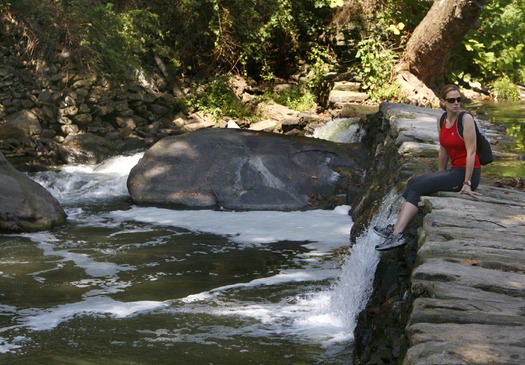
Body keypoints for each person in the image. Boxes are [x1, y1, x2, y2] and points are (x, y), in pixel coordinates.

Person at [374, 84, 482, 251]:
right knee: (413, 182)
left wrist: (467, 183)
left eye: (459, 100)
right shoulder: (442, 120)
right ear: (443, 102)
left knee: (417, 186)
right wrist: (440, 175)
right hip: (453, 172)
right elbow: (443, 149)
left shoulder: (466, 119)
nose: (456, 103)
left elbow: (472, 151)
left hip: (467, 175)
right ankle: (395, 228)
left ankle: (397, 235)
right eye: (452, 100)